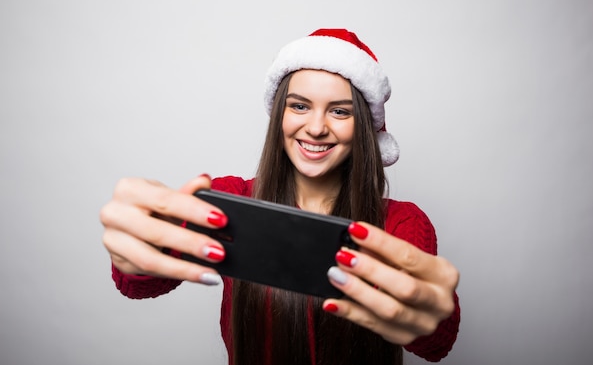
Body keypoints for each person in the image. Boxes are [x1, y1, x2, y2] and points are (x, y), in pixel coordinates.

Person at [100, 28, 461, 364]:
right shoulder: (232, 199)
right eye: (299, 106)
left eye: (339, 111)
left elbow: (435, 342)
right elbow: (137, 283)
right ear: (280, 116)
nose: (316, 128)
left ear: (364, 127)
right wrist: (136, 249)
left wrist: (433, 317)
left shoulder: (400, 222)